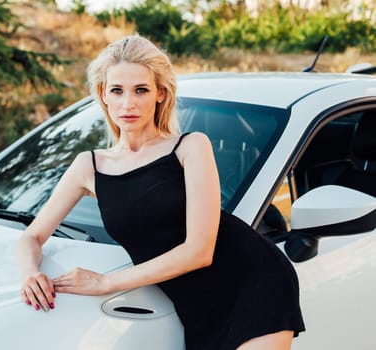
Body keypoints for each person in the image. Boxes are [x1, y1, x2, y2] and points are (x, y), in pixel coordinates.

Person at [16, 34, 305, 349]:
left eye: (141, 90)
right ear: (103, 94)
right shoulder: (89, 166)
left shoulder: (189, 147)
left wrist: (105, 283)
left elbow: (199, 251)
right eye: (117, 90)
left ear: (160, 94)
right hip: (195, 307)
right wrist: (31, 273)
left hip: (253, 283)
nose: (128, 103)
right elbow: (32, 237)